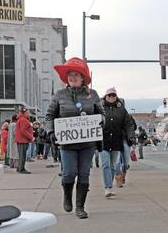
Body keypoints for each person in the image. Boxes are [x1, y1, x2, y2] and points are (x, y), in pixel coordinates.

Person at [46, 57, 105, 219]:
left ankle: (80, 207)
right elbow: (49, 115)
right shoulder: (60, 95)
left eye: (76, 74)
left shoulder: (92, 94)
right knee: (69, 173)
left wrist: (101, 121)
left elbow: (102, 113)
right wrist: (51, 132)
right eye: (70, 74)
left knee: (84, 174)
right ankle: (67, 195)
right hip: (67, 143)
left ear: (83, 77)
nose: (73, 77)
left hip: (88, 143)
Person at [101, 87, 136, 197]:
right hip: (103, 141)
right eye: (109, 95)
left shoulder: (121, 109)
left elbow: (128, 124)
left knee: (113, 165)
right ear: (105, 96)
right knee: (106, 164)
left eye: (113, 95)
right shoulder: (99, 107)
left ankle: (110, 186)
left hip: (117, 141)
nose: (111, 97)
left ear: (116, 96)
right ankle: (107, 187)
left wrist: (131, 137)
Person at [115, 116, 137, 186]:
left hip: (126, 141)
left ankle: (123, 175)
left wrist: (132, 138)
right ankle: (118, 178)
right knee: (117, 162)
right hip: (116, 142)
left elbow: (134, 127)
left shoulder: (129, 117)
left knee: (125, 163)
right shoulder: (113, 117)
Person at [15, 107, 35, 174]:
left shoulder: (21, 119)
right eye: (28, 112)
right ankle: (21, 169)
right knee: (22, 155)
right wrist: (31, 137)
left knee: (21, 155)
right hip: (23, 140)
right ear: (25, 113)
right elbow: (23, 130)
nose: (29, 114)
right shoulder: (24, 120)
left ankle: (19, 168)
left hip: (21, 140)